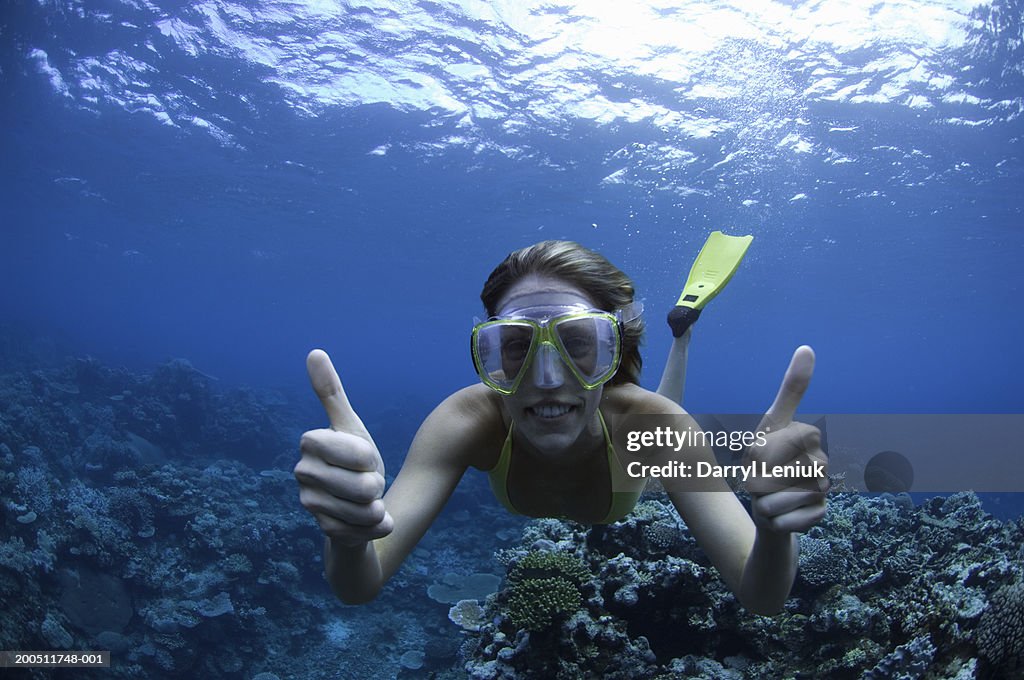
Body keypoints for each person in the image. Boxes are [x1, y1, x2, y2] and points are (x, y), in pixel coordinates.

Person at [294, 240, 828, 615]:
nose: (547, 380)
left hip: (641, 436)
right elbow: (360, 585)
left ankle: (681, 334)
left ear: (611, 355)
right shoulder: (466, 421)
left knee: (659, 416)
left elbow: (761, 597)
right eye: (517, 347)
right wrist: (347, 537)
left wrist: (775, 536)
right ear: (490, 355)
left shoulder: (656, 426)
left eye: (579, 344)